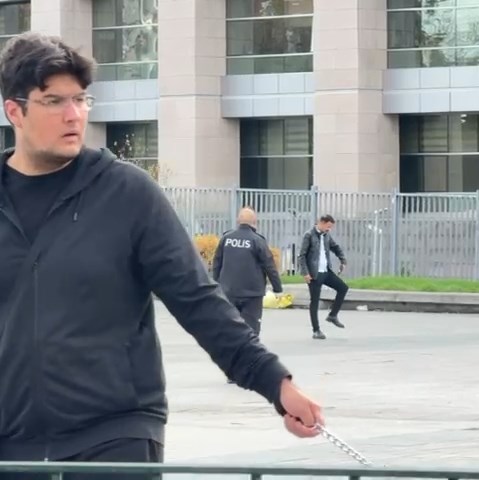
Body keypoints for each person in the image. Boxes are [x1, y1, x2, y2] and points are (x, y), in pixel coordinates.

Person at [0, 32, 322, 478]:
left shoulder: (128, 194)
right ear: (14, 111)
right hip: (11, 441)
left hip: (115, 433)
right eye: (54, 101)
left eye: (81, 99)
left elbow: (198, 299)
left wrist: (275, 382)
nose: (73, 114)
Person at [212, 206, 284, 337]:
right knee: (251, 330)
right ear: (254, 222)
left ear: (238, 220)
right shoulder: (257, 240)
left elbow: (217, 263)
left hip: (229, 291)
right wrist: (277, 288)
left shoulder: (226, 238)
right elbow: (269, 265)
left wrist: (216, 284)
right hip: (252, 294)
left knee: (229, 327)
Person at [298, 214, 349, 340]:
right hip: (314, 274)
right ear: (321, 222)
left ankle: (333, 315)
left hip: (326, 271)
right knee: (314, 301)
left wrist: (342, 260)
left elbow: (335, 247)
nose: (329, 229)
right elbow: (302, 256)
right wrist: (305, 273)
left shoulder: (326, 236)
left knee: (343, 288)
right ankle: (316, 330)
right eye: (328, 226)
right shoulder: (309, 235)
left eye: (331, 227)